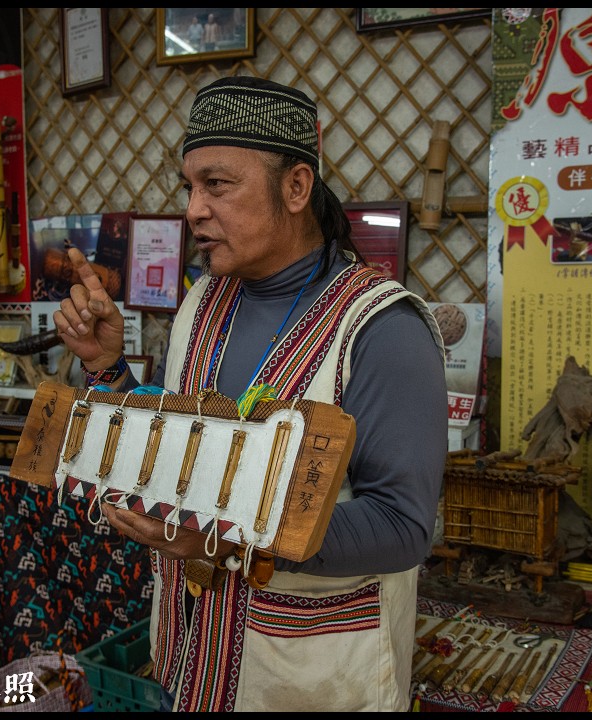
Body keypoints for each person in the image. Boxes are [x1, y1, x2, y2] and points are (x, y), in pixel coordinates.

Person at [53, 76, 447, 712]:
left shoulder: (381, 331)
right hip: (195, 661)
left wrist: (226, 537)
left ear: (295, 187)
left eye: (217, 184)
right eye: (189, 186)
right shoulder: (203, 303)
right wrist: (107, 369)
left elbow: (404, 527)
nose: (193, 210)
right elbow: (176, 448)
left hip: (311, 679)